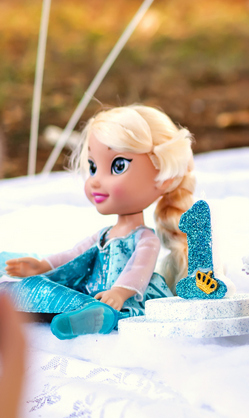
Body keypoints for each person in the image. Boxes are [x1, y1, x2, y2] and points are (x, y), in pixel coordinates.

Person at [3, 105, 195, 339]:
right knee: (40, 287)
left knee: (109, 309)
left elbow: (139, 269)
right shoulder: (104, 234)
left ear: (164, 177)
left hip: (125, 299)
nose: (94, 181)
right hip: (91, 293)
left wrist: (120, 292)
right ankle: (64, 309)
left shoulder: (145, 238)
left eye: (118, 166)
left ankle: (96, 317)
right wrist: (42, 266)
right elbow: (75, 254)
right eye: (93, 167)